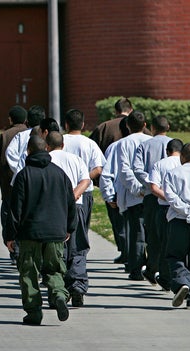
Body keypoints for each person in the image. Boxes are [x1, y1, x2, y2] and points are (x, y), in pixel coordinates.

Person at [5, 135, 77, 325]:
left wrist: (10, 236)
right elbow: (71, 203)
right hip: (56, 232)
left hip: (30, 233)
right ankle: (59, 295)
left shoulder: (23, 175)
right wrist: (69, 227)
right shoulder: (60, 174)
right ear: (46, 149)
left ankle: (34, 313)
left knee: (29, 272)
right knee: (54, 269)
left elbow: (15, 210)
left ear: (28, 150)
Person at [61, 109, 104, 305]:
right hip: (83, 195)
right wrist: (84, 178)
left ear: (66, 124)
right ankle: (78, 282)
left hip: (59, 196)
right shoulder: (89, 143)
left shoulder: (59, 142)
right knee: (79, 238)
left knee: (61, 238)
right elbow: (99, 168)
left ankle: (62, 283)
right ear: (83, 125)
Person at [105, 111, 152, 280]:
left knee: (136, 232)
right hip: (153, 193)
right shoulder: (151, 141)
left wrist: (136, 189)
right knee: (152, 232)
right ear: (145, 125)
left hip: (133, 196)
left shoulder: (122, 144)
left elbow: (124, 171)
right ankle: (151, 266)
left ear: (127, 126)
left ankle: (136, 268)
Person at [46, 131, 91, 307]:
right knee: (78, 247)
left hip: (54, 210)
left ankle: (61, 290)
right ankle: (78, 287)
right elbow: (86, 181)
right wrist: (73, 196)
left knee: (58, 250)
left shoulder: (47, 160)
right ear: (63, 145)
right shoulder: (75, 159)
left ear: (47, 145)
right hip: (77, 206)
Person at [132, 115, 171, 284]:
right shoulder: (175, 144)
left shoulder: (144, 145)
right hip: (171, 196)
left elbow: (137, 169)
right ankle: (166, 271)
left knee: (153, 235)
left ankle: (153, 267)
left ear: (152, 128)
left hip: (151, 196)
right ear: (168, 127)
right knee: (169, 234)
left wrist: (150, 184)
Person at [0, 105, 28, 264]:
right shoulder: (33, 134)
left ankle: (13, 249)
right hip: (30, 185)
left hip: (8, 188)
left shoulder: (1, 138)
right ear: (26, 120)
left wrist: (4, 179)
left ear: (10, 119)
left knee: (9, 216)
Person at [148, 138, 184, 293]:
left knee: (165, 245)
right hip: (185, 211)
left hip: (164, 209)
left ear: (167, 151)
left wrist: (169, 198)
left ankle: (166, 278)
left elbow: (154, 188)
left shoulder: (160, 164)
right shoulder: (185, 164)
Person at [163, 142, 190, 307]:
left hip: (178, 221)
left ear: (182, 156)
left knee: (175, 255)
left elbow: (171, 197)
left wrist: (186, 210)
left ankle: (183, 283)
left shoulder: (173, 173)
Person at [5, 105, 46, 176]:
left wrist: (20, 169)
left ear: (27, 120)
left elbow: (9, 152)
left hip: (24, 175)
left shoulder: (21, 135)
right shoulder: (46, 134)